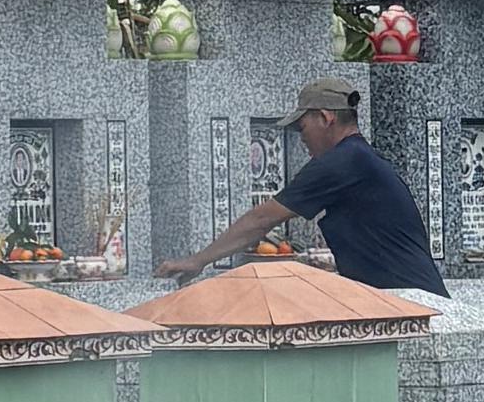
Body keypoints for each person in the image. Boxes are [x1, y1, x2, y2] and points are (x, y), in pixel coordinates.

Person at [166, 78, 448, 300]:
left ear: (326, 118)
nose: (302, 139)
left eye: (302, 128)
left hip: (411, 302)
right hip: (406, 296)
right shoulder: (357, 156)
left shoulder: (342, 161)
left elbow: (262, 219)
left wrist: (197, 261)